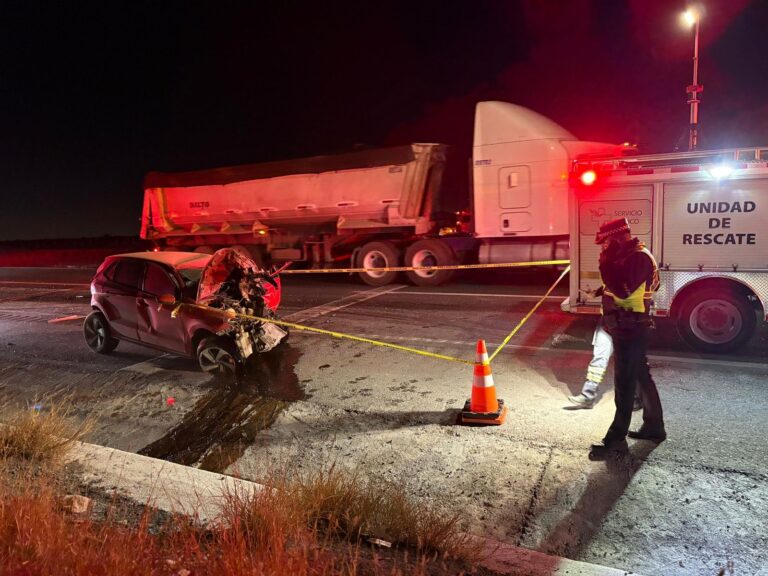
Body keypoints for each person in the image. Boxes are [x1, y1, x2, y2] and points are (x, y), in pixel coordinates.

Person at [587, 218, 666, 459]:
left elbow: (623, 288)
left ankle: (616, 441)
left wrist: (604, 264)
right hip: (628, 324)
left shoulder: (638, 257)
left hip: (631, 327)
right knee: (641, 376)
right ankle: (654, 426)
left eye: (607, 242)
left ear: (618, 237)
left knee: (624, 384)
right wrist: (601, 290)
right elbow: (625, 284)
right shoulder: (631, 256)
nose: (604, 248)